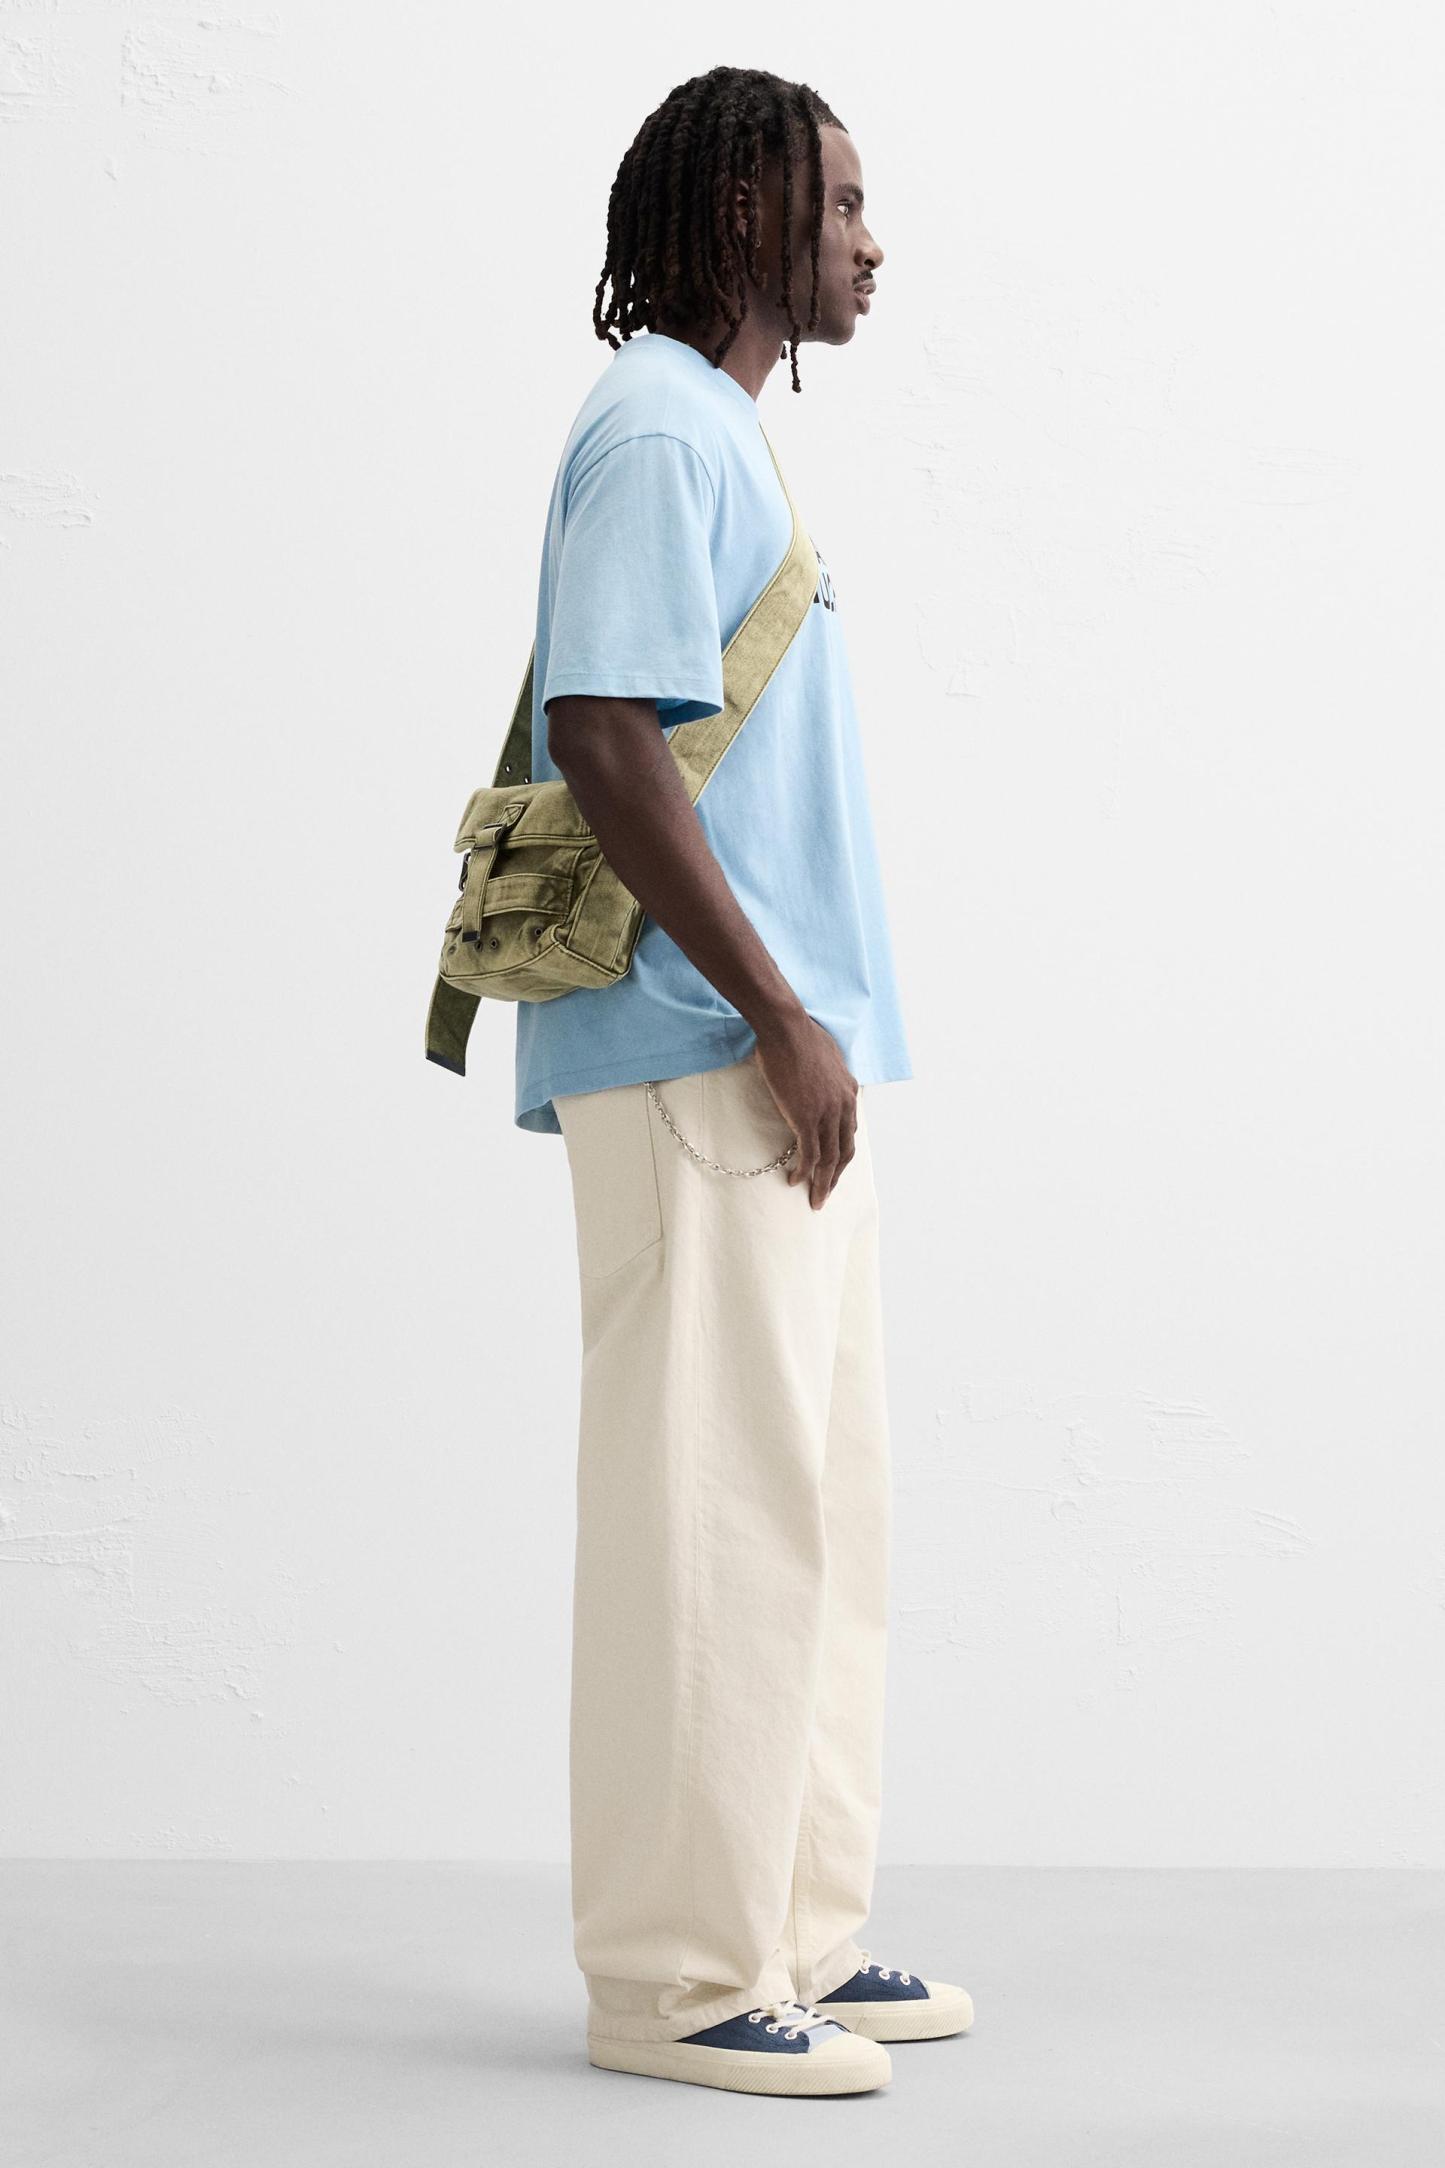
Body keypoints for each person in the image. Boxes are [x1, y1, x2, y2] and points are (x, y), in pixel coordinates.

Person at [517, 65, 974, 2097]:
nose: (871, 240)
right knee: (704, 1513)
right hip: (707, 1052)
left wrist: (810, 1034)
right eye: (841, 201)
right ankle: (675, 1976)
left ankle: (794, 1930)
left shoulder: (715, 432)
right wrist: (779, 1015)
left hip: (776, 1064)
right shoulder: (653, 427)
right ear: (740, 217)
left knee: (807, 1504)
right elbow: (605, 732)